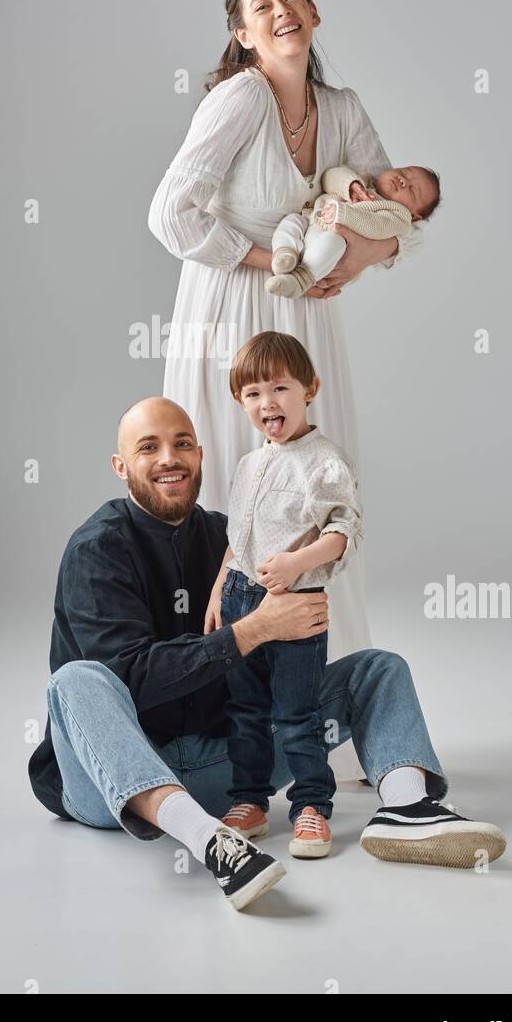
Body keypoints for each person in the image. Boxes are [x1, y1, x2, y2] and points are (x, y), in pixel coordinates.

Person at [27, 397, 507, 912]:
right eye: (150, 447)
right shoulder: (97, 549)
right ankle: (212, 845)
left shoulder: (228, 536)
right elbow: (132, 678)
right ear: (121, 467)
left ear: (200, 455)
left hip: (229, 773)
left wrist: (312, 562)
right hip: (111, 782)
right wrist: (251, 631)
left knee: (376, 669)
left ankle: (409, 808)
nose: (170, 457)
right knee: (77, 679)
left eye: (182, 444)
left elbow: (325, 549)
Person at [147, 0, 422, 783]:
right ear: (240, 33)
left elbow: (396, 209)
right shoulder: (237, 99)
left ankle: (312, 719)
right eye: (260, 6)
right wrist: (271, 257)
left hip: (303, 316)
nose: (280, 11)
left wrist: (356, 258)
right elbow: (170, 213)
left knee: (313, 489)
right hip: (230, 305)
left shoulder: (339, 109)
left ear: (314, 11)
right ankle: (223, 719)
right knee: (237, 494)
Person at [205, 332, 364, 859]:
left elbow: (345, 531)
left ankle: (311, 806)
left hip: (296, 608)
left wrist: (298, 562)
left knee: (298, 713)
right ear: (240, 402)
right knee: (245, 708)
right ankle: (249, 800)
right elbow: (237, 542)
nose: (266, 402)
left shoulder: (325, 462)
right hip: (240, 600)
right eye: (252, 393)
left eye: (279, 388)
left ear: (309, 389)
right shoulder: (250, 465)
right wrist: (217, 593)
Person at [267, 162, 441, 298]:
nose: (403, 181)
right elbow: (329, 176)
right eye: (404, 172)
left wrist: (343, 213)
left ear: (415, 216)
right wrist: (351, 184)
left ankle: (299, 280)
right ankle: (285, 255)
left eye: (412, 190)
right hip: (310, 222)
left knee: (333, 242)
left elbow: (375, 225)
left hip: (335, 251)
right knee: (291, 222)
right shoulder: (363, 181)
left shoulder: (399, 216)